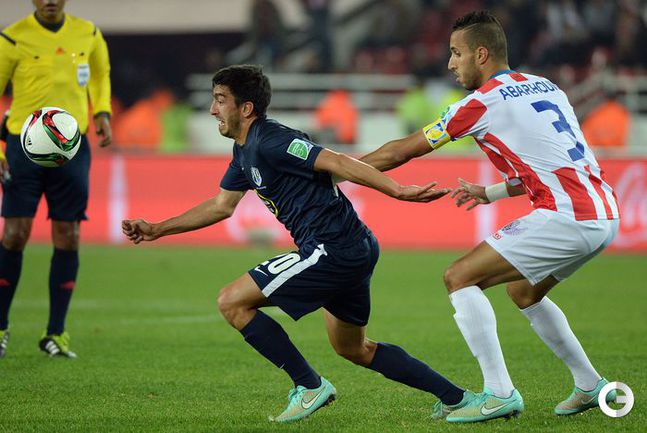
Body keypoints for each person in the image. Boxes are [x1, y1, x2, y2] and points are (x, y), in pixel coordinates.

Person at [122, 65, 476, 423]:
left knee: (232, 302)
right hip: (352, 246)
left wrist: (397, 190)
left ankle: (309, 386)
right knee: (354, 348)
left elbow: (337, 161)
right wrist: (157, 229)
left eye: (220, 100)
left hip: (330, 248)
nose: (213, 110)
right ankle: (457, 398)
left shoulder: (271, 140)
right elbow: (221, 205)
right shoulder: (244, 151)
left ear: (246, 108)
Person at [360, 11, 620, 423]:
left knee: (459, 277)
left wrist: (334, 168)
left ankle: (499, 394)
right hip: (604, 213)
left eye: (456, 53)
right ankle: (589, 384)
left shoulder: (480, 103)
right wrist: (492, 191)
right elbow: (552, 162)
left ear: (481, 54)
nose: (450, 63)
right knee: (524, 292)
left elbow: (400, 151)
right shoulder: (547, 86)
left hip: (567, 216)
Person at [0, 0, 112, 358]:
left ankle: (56, 334)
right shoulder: (12, 38)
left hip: (71, 148)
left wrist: (102, 111)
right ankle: (0, 326)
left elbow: (100, 74)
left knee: (69, 235)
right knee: (14, 234)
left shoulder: (88, 33)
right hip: (21, 147)